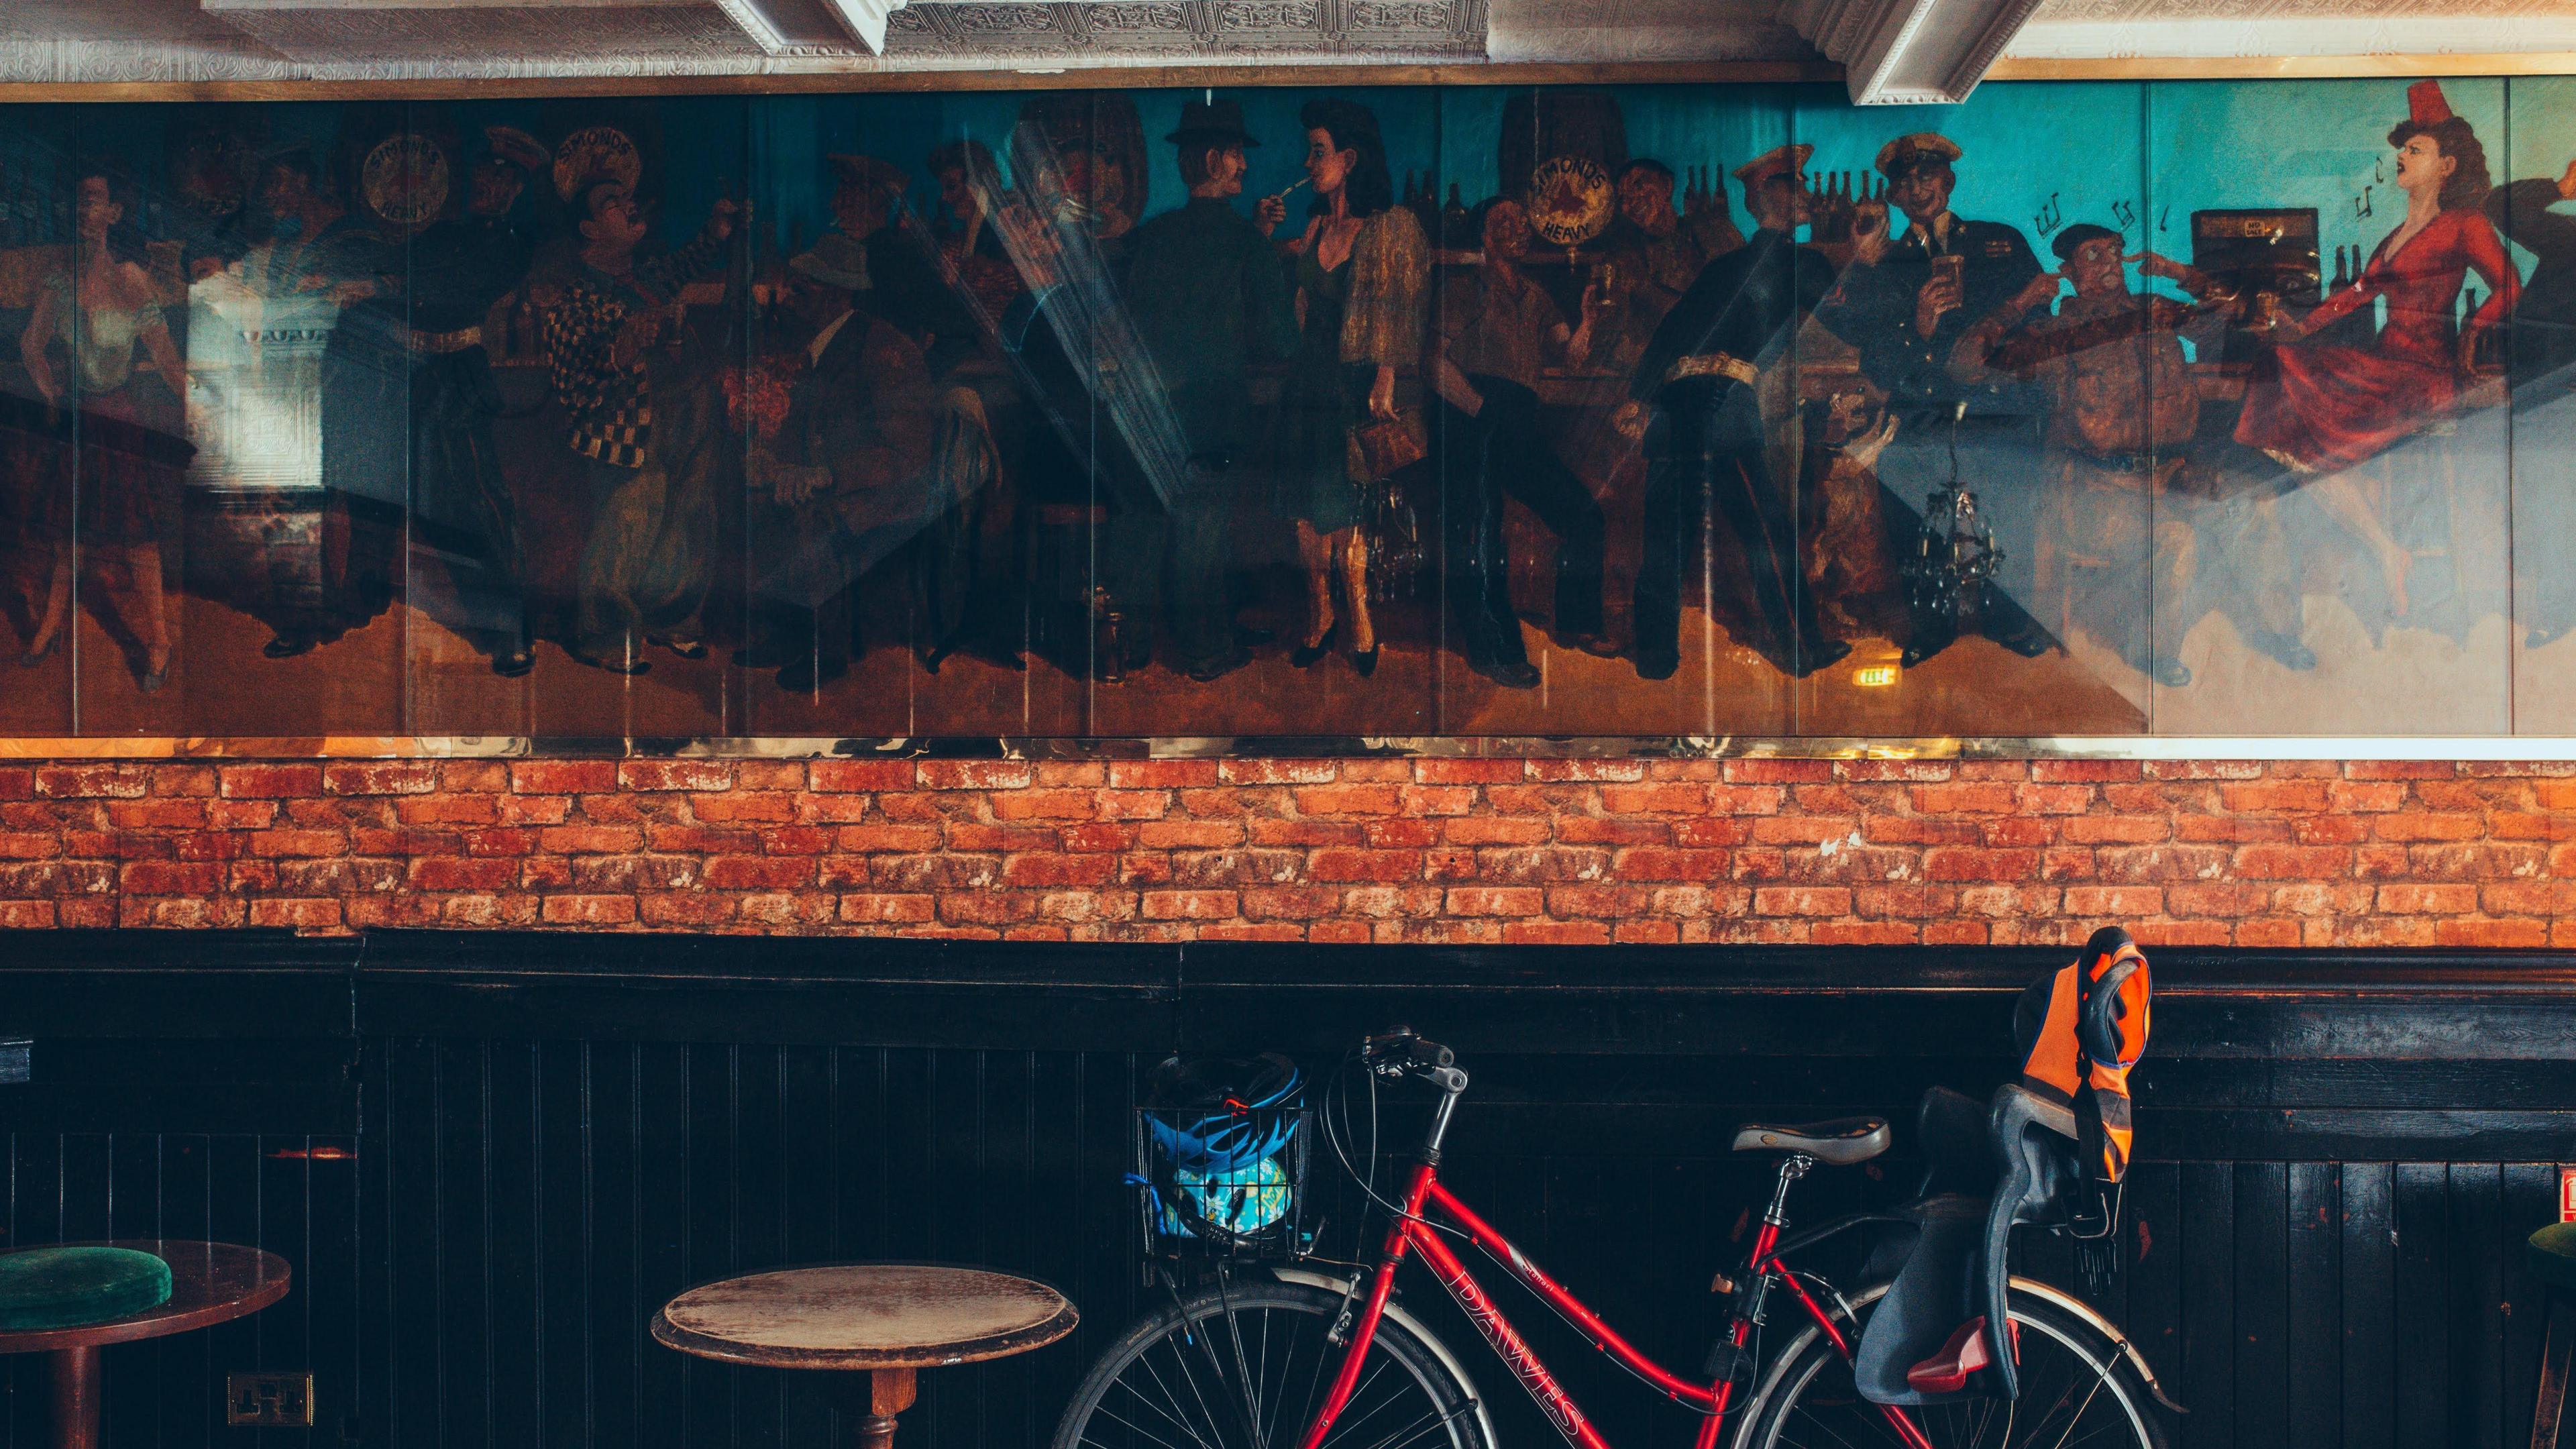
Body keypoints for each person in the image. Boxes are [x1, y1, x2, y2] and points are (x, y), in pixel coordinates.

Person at [2235, 80, 2519, 617]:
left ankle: (2390, 553)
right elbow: (2357, 295)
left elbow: (2510, 285)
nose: (2401, 158)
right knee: (2282, 387)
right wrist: (2300, 329)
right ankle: (2389, 551)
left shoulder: (2466, 223)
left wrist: (2473, 332)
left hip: (2423, 375)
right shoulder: (2395, 233)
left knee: (2307, 437)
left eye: (2415, 149)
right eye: (2402, 149)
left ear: (2447, 166)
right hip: (2383, 364)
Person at [1949, 223, 2261, 688]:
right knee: (2178, 540)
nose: (2111, 261)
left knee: (2257, 508)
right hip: (2095, 492)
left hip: (2172, 476)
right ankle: (2151, 650)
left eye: (2114, 251)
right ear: (2068, 271)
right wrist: (2021, 302)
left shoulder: (2155, 312)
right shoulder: (2056, 333)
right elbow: (1965, 365)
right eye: (2093, 255)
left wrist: (2179, 273)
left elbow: (2241, 318)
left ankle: (2263, 631)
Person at [1613, 144, 1849, 680]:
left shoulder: (1725, 265)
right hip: (1721, 404)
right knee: (1765, 527)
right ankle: (1800, 646)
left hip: (1678, 403)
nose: (1809, 195)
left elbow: (1672, 330)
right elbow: (1835, 311)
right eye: (1798, 187)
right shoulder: (1805, 262)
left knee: (1668, 531)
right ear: (1772, 197)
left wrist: (1639, 394)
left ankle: (1656, 654)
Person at [1115, 98, 1301, 682]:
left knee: (1146, 526)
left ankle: (1132, 645)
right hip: (1212, 411)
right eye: (1239, 156)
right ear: (1217, 160)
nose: (1245, 166)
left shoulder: (1152, 237)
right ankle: (1203, 649)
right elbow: (1280, 341)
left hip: (1145, 412)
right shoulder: (1246, 245)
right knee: (1201, 529)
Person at [540, 172, 739, 673]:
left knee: (691, 514)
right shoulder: (574, 303)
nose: (631, 206)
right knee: (630, 520)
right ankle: (607, 636)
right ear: (588, 229)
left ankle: (674, 619)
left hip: (692, 410)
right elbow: (574, 390)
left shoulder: (647, 278)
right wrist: (619, 354)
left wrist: (714, 233)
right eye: (613, 202)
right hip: (629, 430)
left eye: (629, 197)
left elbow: (683, 264)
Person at [1268, 97, 1429, 678]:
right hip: (1306, 382)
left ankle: (1359, 618)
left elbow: (1401, 310)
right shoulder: (1313, 226)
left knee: (1347, 512)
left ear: (1350, 158)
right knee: (1305, 513)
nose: (1309, 162)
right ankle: (1320, 615)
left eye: (1318, 151)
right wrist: (1264, 233)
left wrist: (1386, 378)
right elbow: (1289, 291)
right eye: (1309, 151)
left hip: (1354, 384)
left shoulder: (1389, 228)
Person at [17, 170, 191, 692]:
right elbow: (30, 344)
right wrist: (52, 397)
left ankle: (159, 642)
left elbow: (165, 360)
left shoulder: (134, 280)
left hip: (117, 422)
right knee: (70, 531)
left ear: (114, 213)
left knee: (138, 538)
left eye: (92, 200)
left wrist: (201, 407)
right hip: (78, 420)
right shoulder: (59, 279)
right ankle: (50, 626)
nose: (81, 209)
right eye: (77, 199)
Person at [1430, 196, 1612, 688]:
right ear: (1485, 238)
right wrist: (1481, 409)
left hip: (1520, 422)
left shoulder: (1537, 295)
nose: (1518, 227)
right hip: (1473, 418)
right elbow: (1434, 363)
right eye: (1503, 221)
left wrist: (1589, 322)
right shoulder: (1463, 288)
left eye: (1521, 219)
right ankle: (1494, 650)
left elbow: (1569, 355)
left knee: (1583, 514)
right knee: (1482, 533)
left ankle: (1577, 623)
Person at [743, 244, 936, 692]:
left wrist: (827, 474)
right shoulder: (824, 346)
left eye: (800, 290)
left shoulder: (884, 348)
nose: (789, 298)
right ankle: (789, 633)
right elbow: (805, 421)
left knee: (816, 519)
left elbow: (908, 451)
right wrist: (775, 461)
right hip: (842, 478)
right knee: (765, 501)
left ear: (835, 294)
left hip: (888, 487)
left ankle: (824, 652)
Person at [399, 125, 547, 676]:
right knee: (438, 507)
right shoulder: (442, 235)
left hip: (461, 375)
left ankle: (513, 629)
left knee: (484, 503)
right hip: (423, 375)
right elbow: (405, 281)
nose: (490, 186)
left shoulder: (508, 246)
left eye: (503, 180)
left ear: (516, 191)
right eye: (485, 175)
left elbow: (453, 289)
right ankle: (484, 618)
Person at [2485, 151, 2576, 645]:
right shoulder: (2569, 240)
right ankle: (2560, 610)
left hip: (2555, 399)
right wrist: (2559, 189)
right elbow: (2498, 205)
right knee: (2548, 504)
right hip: (2542, 396)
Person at [1597, 158, 1743, 376]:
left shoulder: (1713, 233)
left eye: (1639, 186)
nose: (1633, 201)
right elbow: (1613, 340)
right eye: (1623, 198)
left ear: (1667, 186)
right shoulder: (1623, 257)